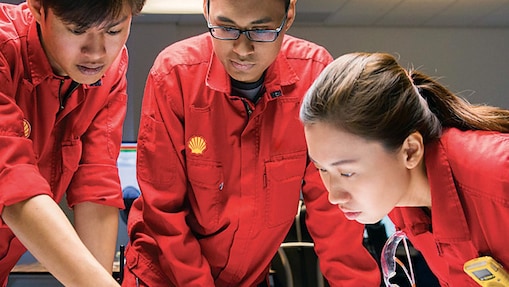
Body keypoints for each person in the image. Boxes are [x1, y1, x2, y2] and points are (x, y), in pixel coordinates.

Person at [123, 0, 381, 286]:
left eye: (261, 31)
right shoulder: (174, 76)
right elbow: (164, 212)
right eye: (226, 28)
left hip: (248, 277)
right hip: (164, 276)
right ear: (206, 10)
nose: (243, 50)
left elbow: (333, 211)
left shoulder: (314, 77)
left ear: (289, 14)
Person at [300, 52, 509, 286]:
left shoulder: (499, 175)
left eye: (347, 173)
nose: (333, 195)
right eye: (322, 169)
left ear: (410, 151)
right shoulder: (400, 199)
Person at [0, 0, 146, 286]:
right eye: (77, 30)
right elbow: (11, 183)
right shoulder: (5, 50)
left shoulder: (109, 72)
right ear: (38, 8)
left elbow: (96, 184)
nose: (96, 53)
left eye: (114, 31)